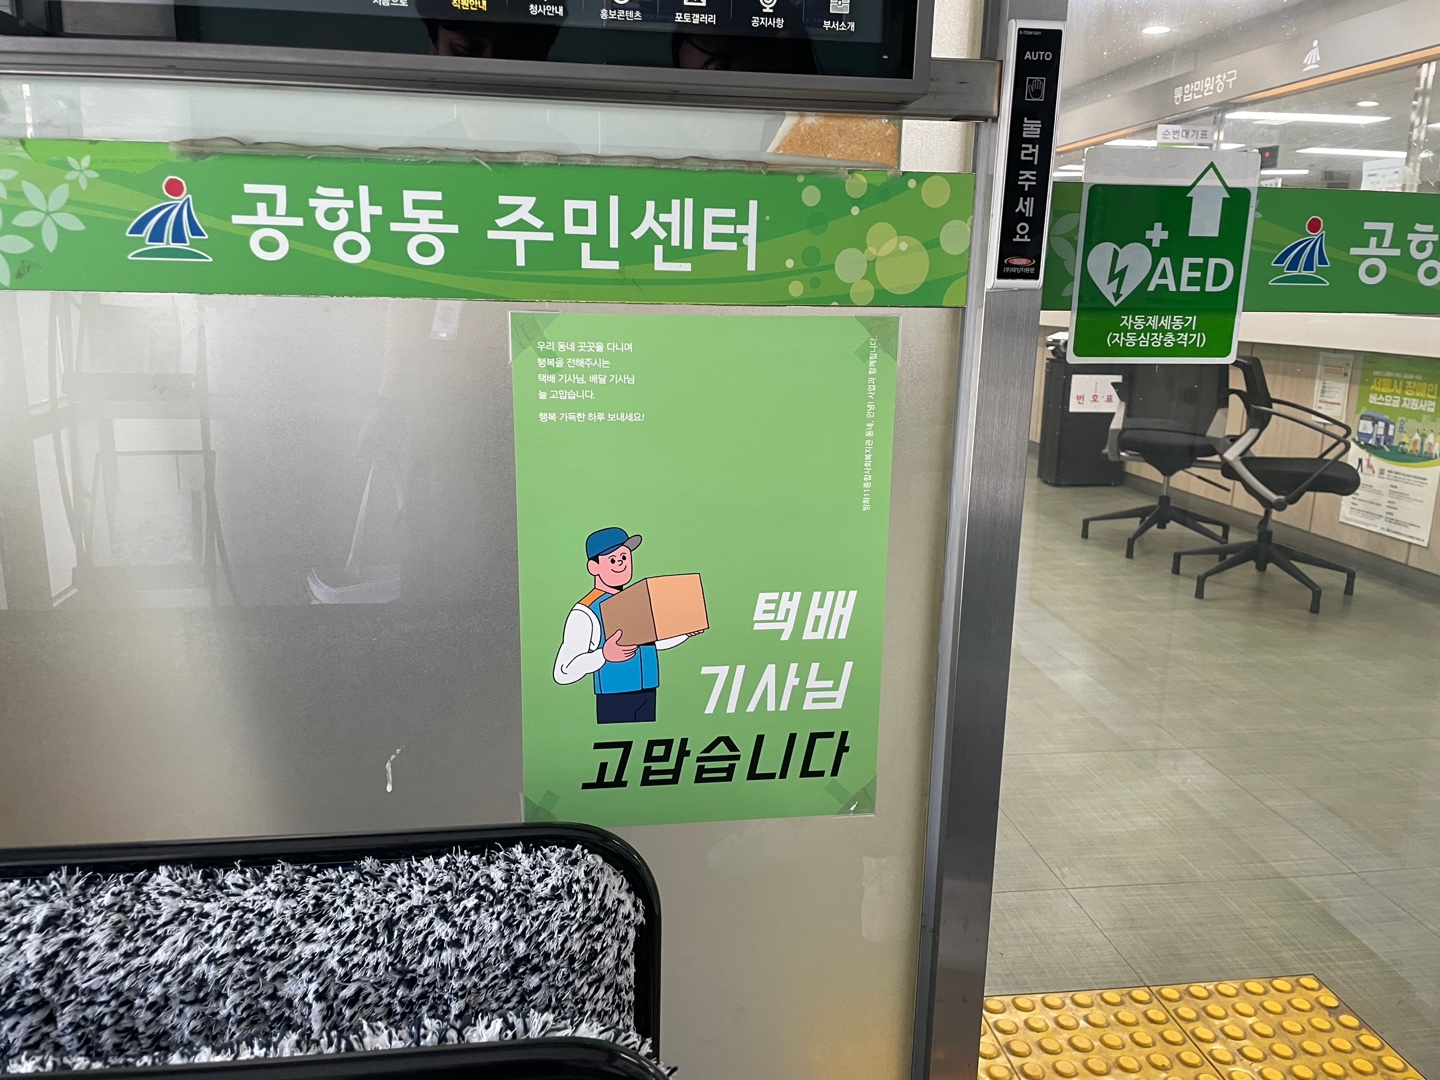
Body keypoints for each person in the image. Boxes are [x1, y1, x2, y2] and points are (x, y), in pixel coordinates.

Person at [553, 527, 696, 724]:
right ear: (593, 567)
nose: (621, 563)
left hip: (648, 692)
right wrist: (603, 655)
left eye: (624, 557)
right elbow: (563, 672)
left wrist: (684, 632)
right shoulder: (585, 611)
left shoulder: (637, 600)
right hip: (614, 697)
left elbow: (652, 643)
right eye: (612, 559)